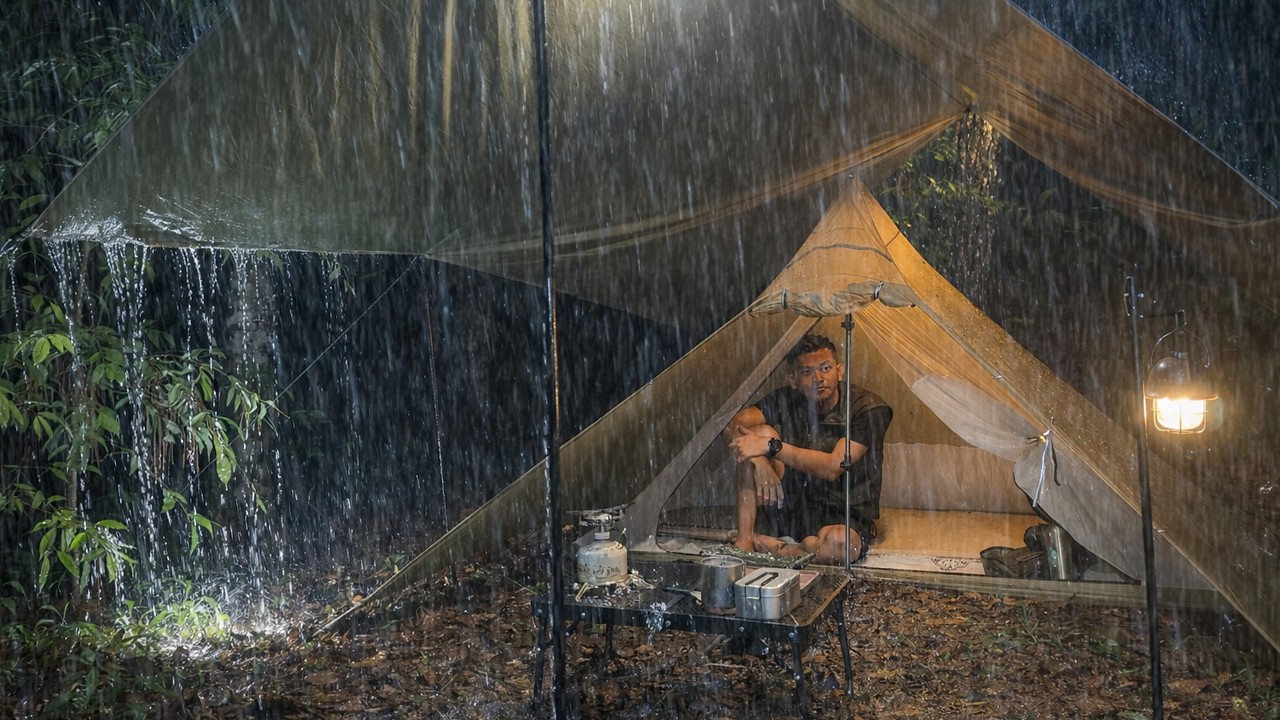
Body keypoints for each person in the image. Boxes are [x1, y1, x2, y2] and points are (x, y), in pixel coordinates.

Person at [725, 334, 892, 564]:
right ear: (793, 379)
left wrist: (772, 447)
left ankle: (780, 549)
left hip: (844, 512)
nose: (818, 378)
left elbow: (834, 467)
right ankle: (745, 541)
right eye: (807, 372)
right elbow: (734, 424)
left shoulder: (868, 408)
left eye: (826, 368)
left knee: (841, 546)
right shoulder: (786, 399)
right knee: (758, 433)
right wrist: (760, 461)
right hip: (795, 505)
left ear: (840, 371)